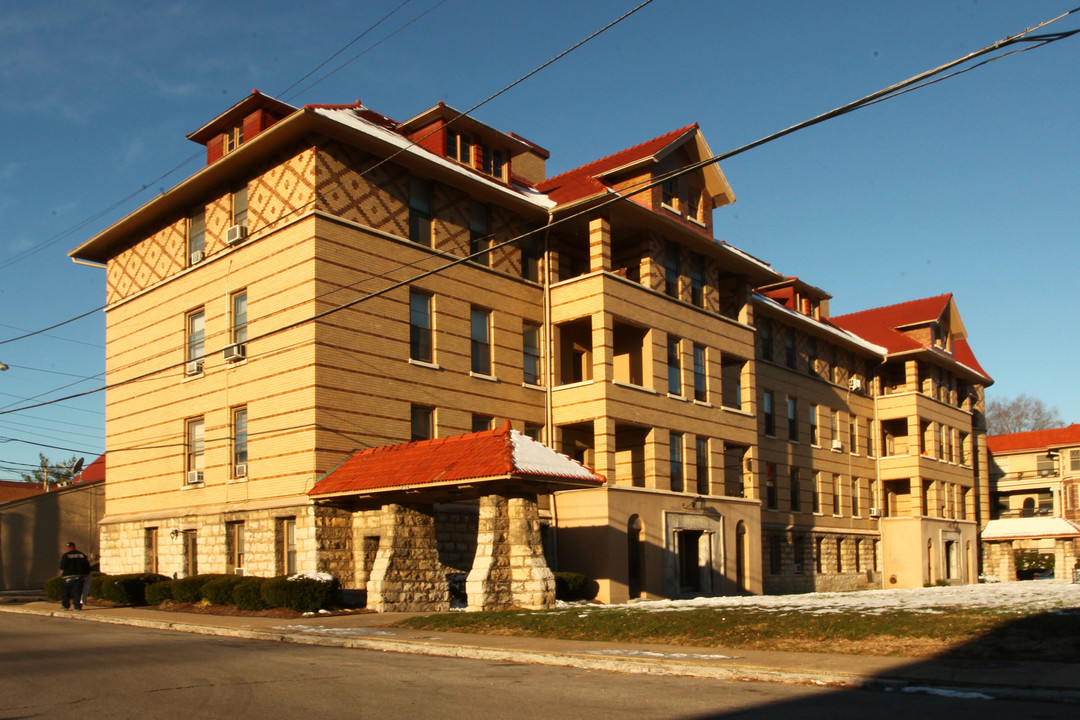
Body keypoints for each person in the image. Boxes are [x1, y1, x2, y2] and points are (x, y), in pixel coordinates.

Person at [59, 541, 90, 610]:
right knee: (77, 592)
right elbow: (87, 566)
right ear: (74, 546)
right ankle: (77, 607)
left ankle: (65, 606)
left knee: (66, 592)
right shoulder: (81, 555)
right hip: (79, 576)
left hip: (67, 577)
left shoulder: (66, 555)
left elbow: (62, 567)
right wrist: (85, 574)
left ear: (68, 547)